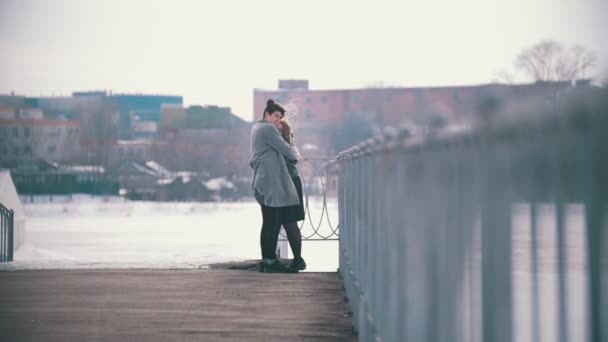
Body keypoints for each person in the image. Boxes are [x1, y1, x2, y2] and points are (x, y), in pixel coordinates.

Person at [249, 99, 302, 273]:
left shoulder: (256, 128)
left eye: (280, 117)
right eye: (276, 116)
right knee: (271, 222)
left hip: (264, 179)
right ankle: (270, 260)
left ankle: (268, 260)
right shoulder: (267, 128)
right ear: (267, 115)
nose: (278, 120)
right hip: (271, 181)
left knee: (269, 221)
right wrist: (296, 154)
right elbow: (287, 150)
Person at [275, 118, 306, 271]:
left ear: (285, 132)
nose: (276, 132)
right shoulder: (283, 145)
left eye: (280, 130)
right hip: (284, 184)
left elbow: (293, 158)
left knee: (289, 222)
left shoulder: (285, 146)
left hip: (290, 184)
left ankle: (298, 259)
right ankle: (295, 260)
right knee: (282, 222)